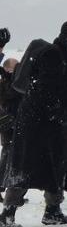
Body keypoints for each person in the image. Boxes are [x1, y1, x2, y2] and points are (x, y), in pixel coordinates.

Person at [1, 20, 67, 227]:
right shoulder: (53, 54)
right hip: (37, 123)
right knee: (25, 166)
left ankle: (53, 211)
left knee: (56, 166)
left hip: (52, 124)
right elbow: (44, 91)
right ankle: (7, 215)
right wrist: (59, 114)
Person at [0, 59, 21, 202]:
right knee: (7, 157)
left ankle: (12, 193)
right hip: (7, 126)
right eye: (15, 68)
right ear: (7, 69)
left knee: (14, 159)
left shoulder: (17, 83)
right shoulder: (4, 84)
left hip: (17, 125)